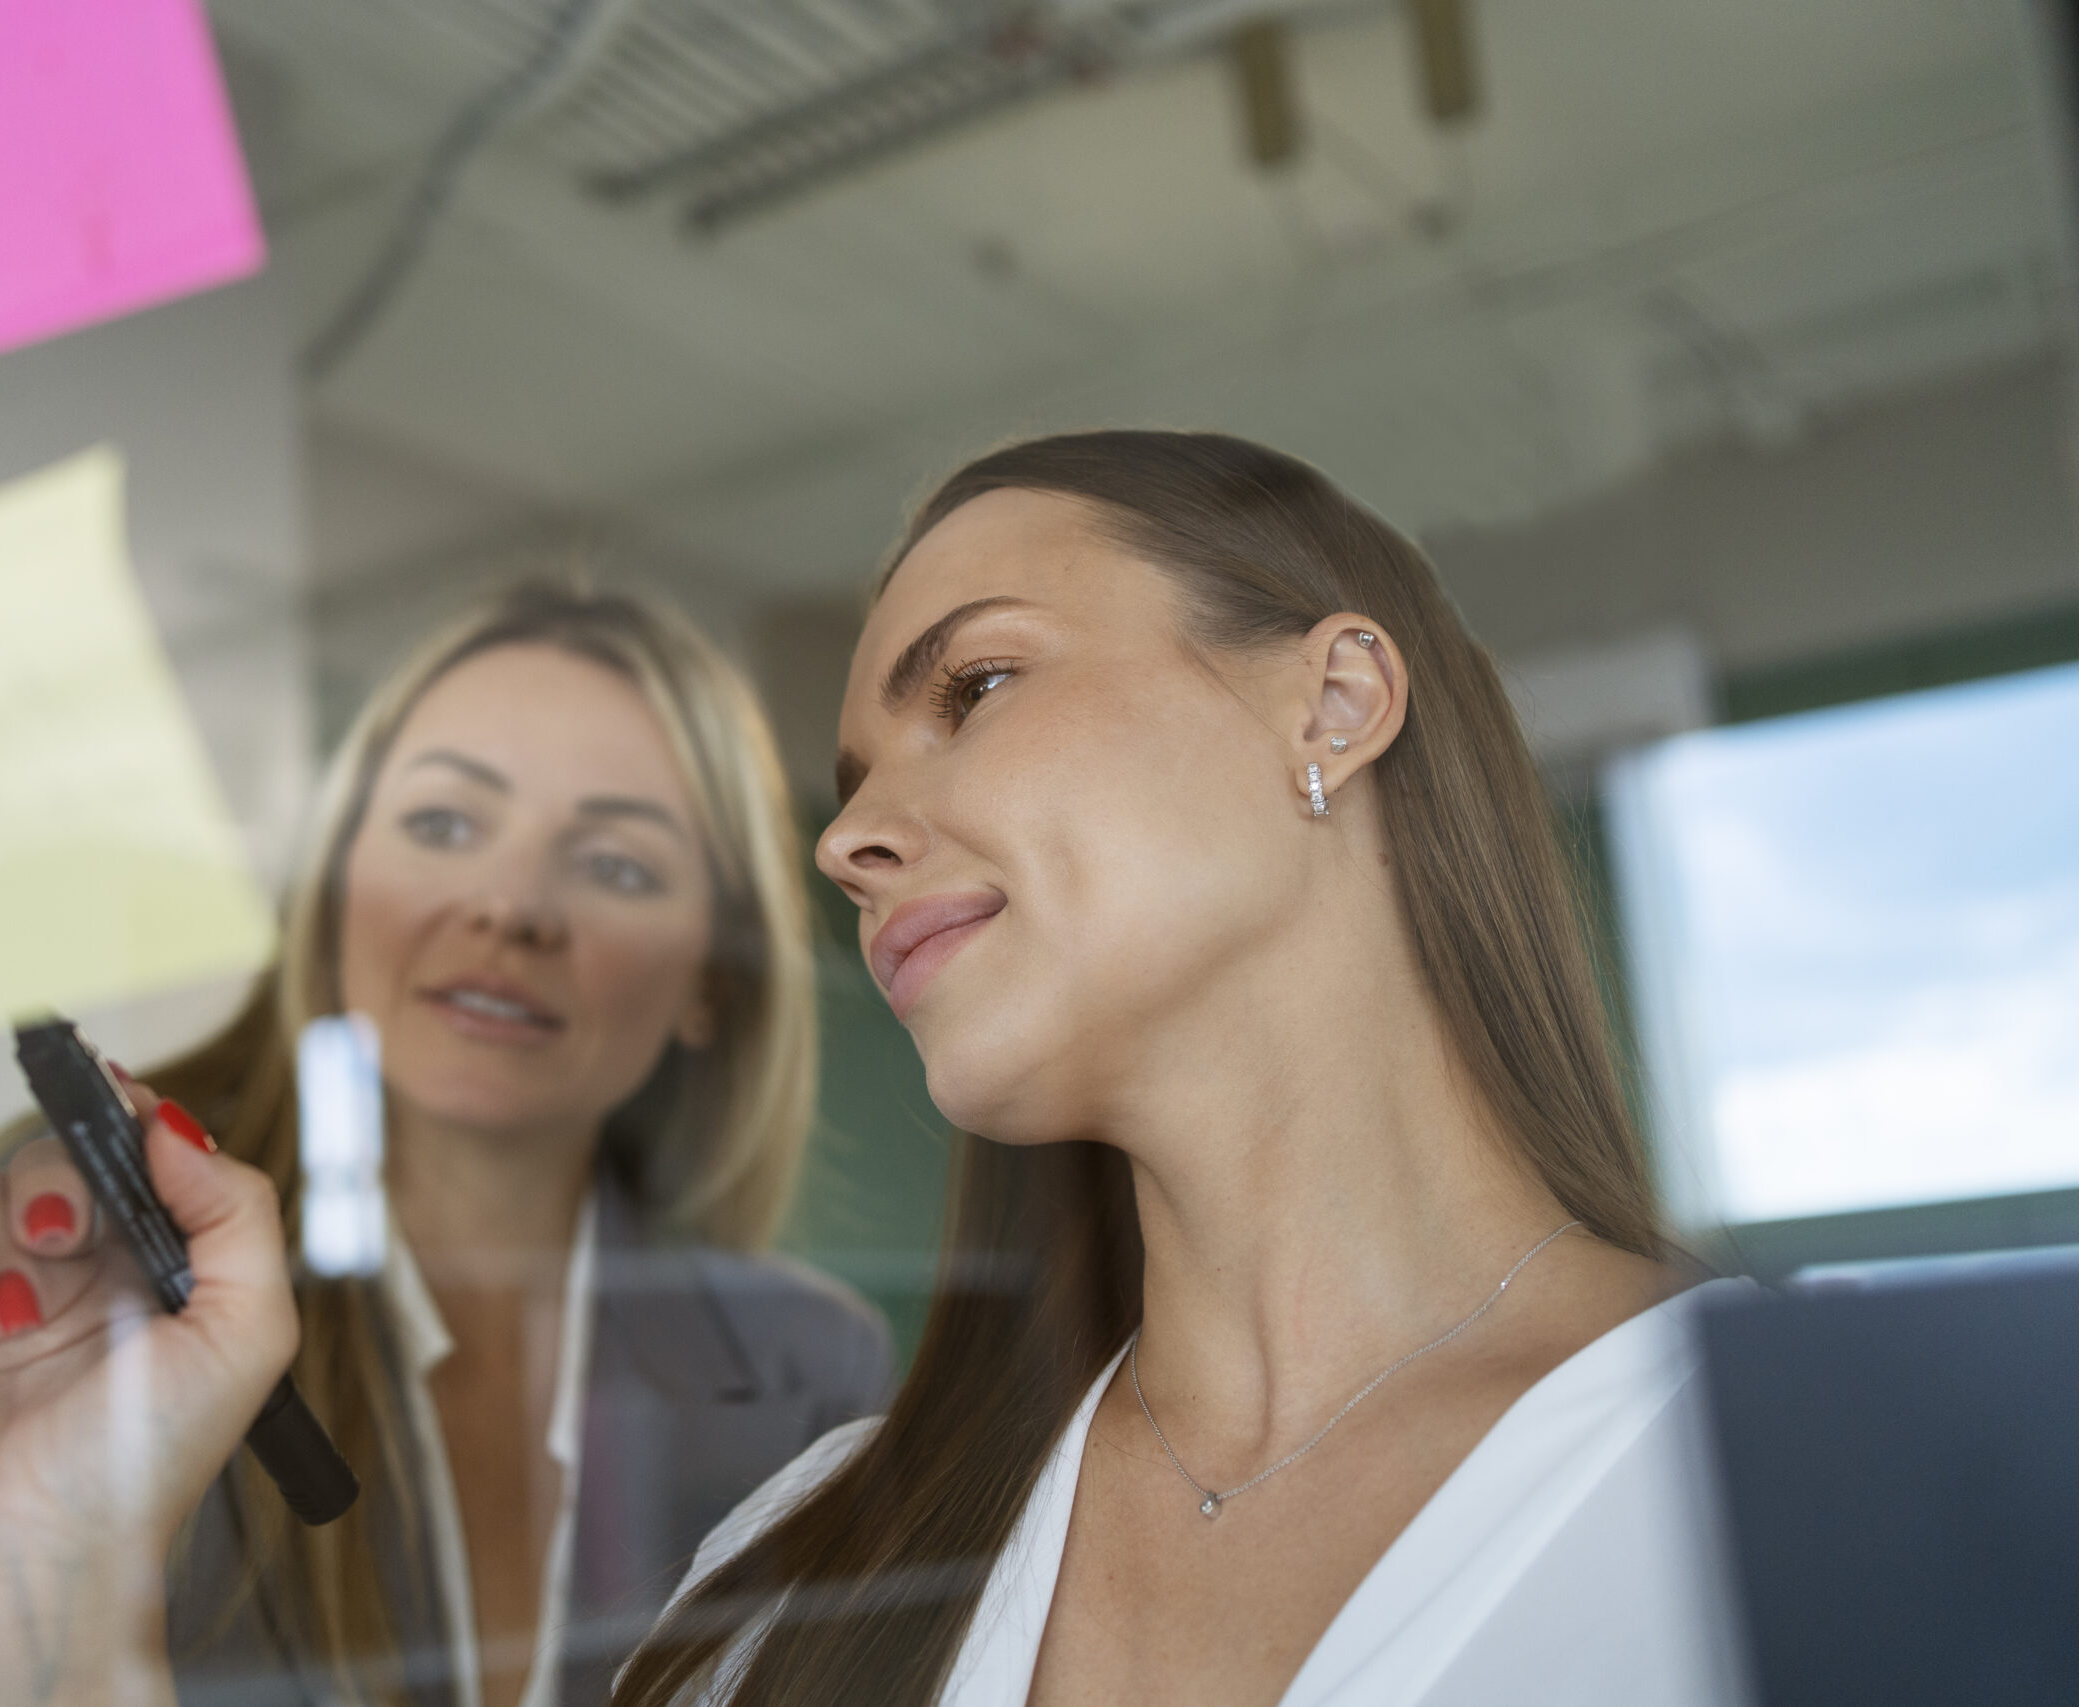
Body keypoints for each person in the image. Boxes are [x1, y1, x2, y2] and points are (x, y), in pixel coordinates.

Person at [0, 582, 890, 1707]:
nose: (510, 902)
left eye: (618, 862)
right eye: (444, 823)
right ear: (337, 892)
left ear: (714, 977)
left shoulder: (810, 1367)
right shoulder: (92, 1239)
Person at [610, 431, 1754, 1707]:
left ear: (1334, 703)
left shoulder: (1807, 1464)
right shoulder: (800, 1572)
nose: (846, 844)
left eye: (975, 688)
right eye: (855, 784)